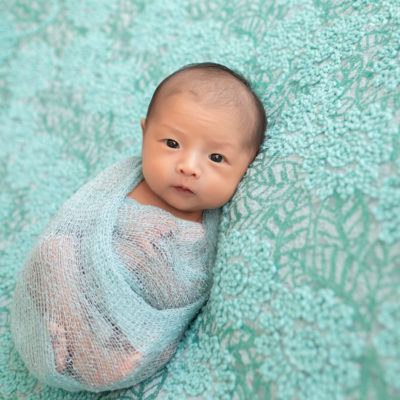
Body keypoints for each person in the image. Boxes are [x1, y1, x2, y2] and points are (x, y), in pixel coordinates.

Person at [11, 62, 267, 392]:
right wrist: (133, 226)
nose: (188, 167)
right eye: (172, 144)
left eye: (216, 158)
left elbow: (188, 287)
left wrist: (148, 247)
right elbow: (81, 220)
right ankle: (83, 340)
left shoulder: (207, 226)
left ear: (248, 166)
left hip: (134, 324)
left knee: (135, 258)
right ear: (145, 134)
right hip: (82, 293)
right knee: (53, 249)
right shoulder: (121, 181)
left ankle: (97, 356)